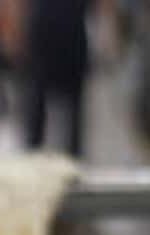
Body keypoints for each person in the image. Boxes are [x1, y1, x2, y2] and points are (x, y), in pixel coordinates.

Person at [22, 0, 91, 157]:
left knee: (74, 113)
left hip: (73, 38)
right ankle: (33, 159)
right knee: (36, 109)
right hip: (43, 38)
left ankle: (73, 160)